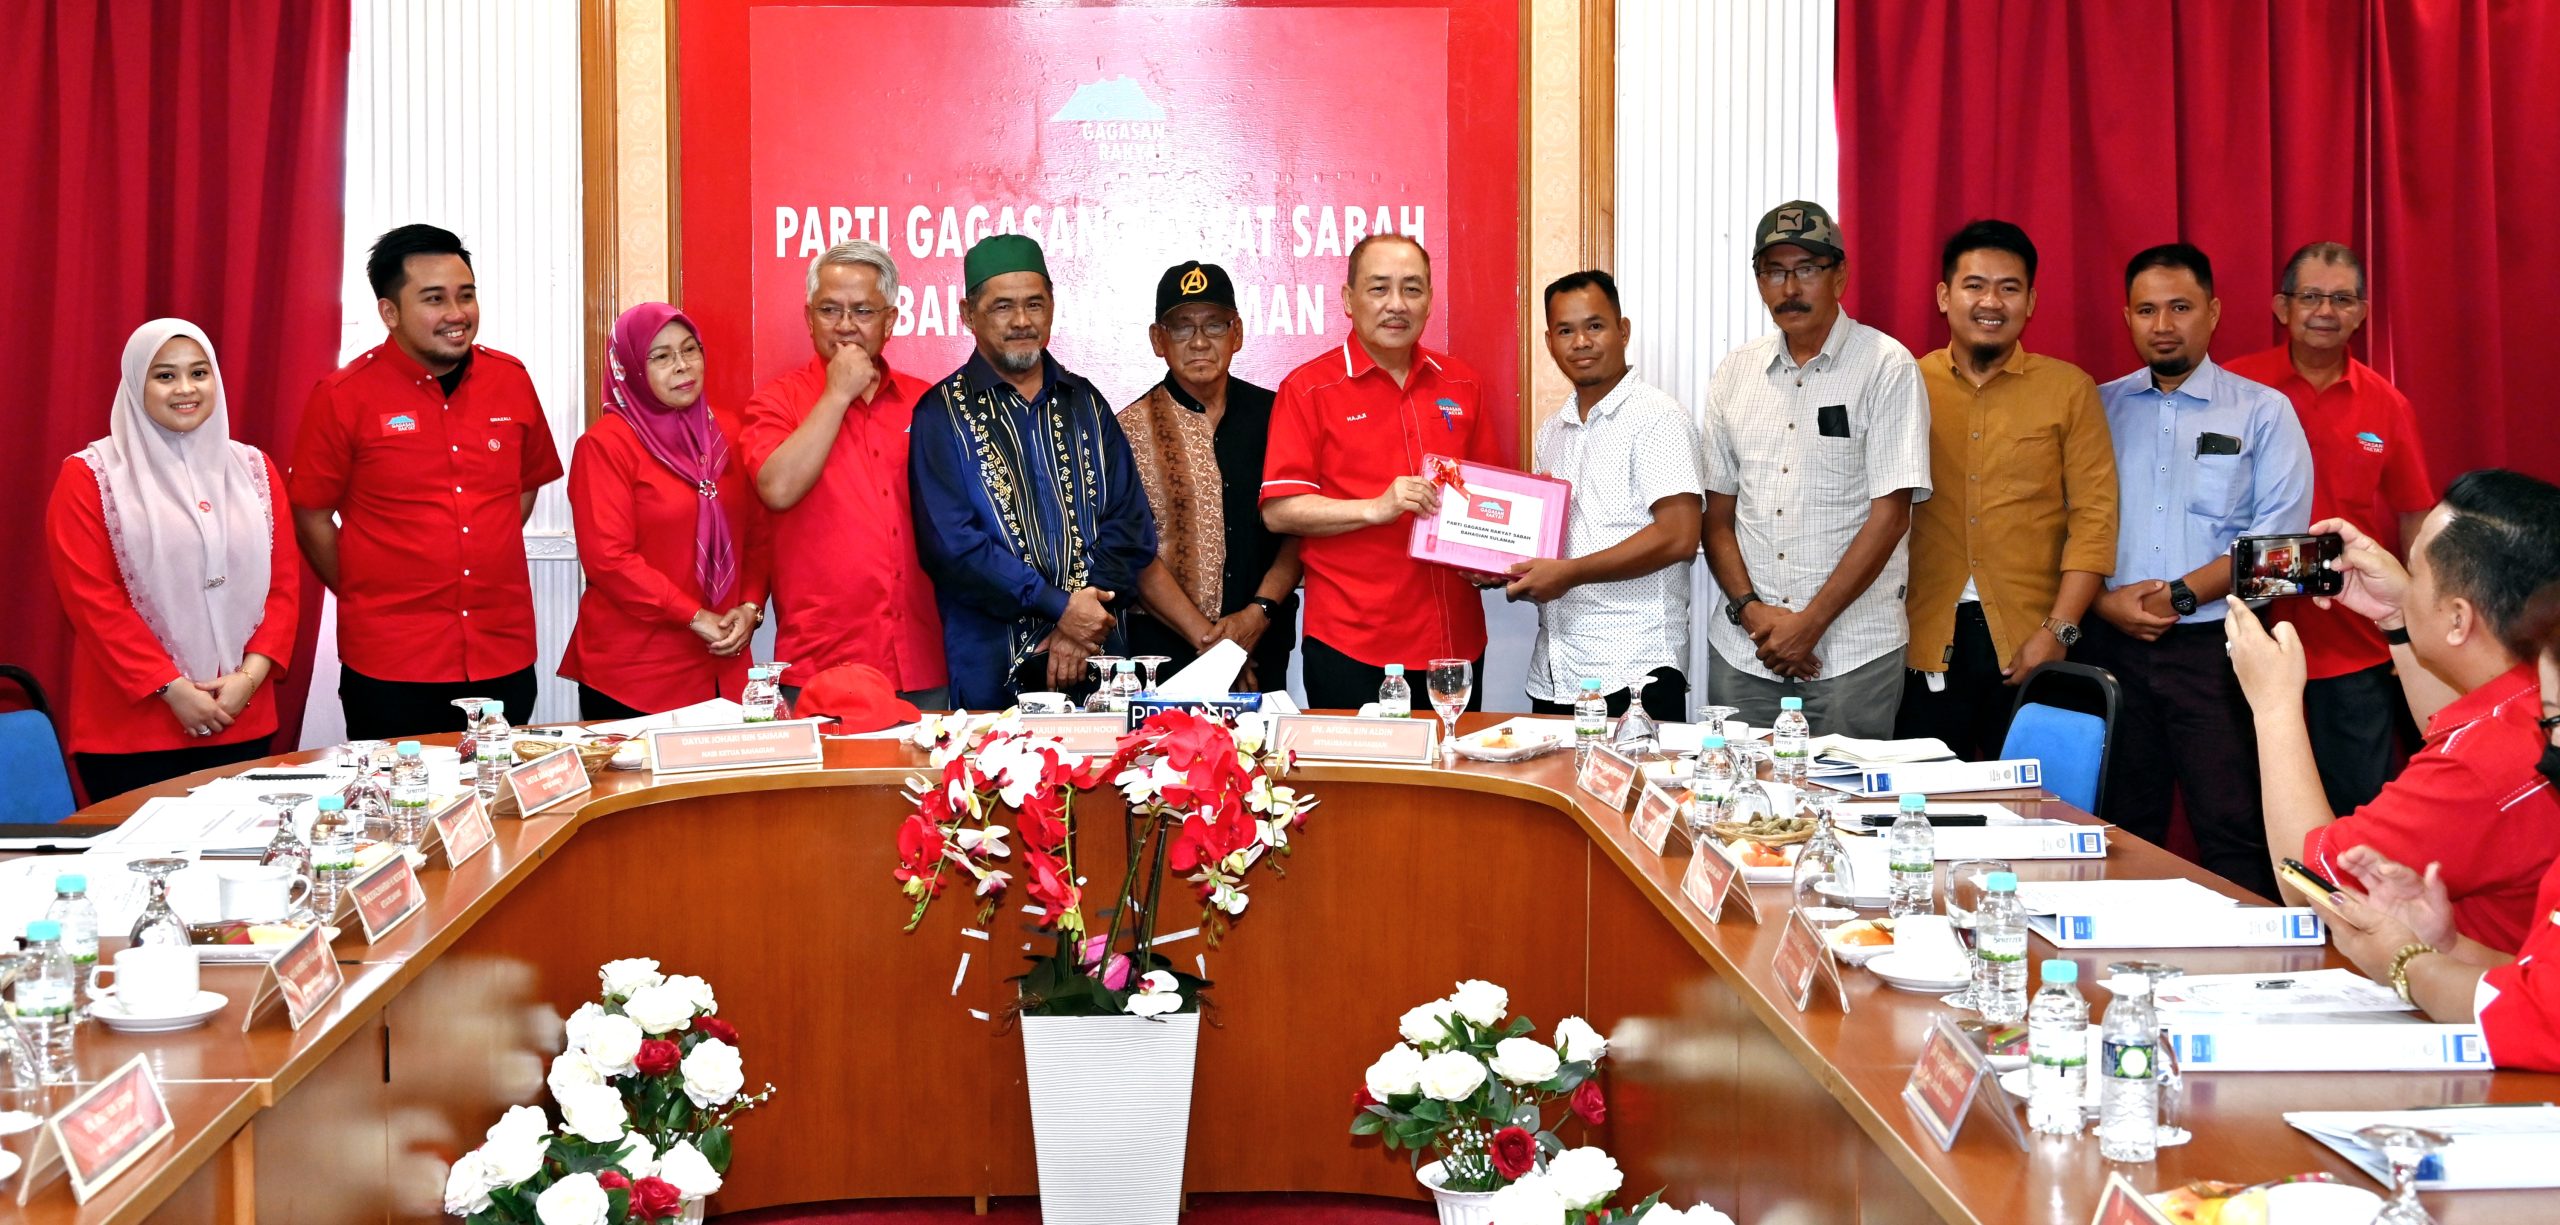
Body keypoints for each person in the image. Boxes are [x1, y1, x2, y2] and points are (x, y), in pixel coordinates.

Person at [2228, 469, 2560, 952]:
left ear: (2459, 618)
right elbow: (2458, 728)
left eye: (2414, 572)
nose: (2405, 584)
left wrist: (2274, 706)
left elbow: (2311, 885)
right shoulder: (2537, 697)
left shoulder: (2480, 766)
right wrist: (2398, 616)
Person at [2082, 242, 2313, 898]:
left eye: (2180, 307)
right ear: (2127, 318)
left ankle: (2250, 954)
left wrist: (2181, 597)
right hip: (2112, 648)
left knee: (2235, 826)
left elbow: (2285, 557)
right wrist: (2101, 603)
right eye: (2147, 310)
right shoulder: (2095, 407)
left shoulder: (2262, 411)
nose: (2163, 325)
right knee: (2115, 826)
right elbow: (2057, 526)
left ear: (2212, 312)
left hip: (2221, 652)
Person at [288, 224, 562, 740]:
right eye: (434, 299)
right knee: (397, 791)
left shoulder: (511, 380)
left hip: (501, 652)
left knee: (495, 788)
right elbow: (311, 514)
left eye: (466, 295)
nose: (457, 313)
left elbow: (524, 486)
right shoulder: (343, 396)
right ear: (390, 312)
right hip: (392, 663)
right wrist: (367, 585)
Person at [1701, 201, 1931, 736]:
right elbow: (1717, 516)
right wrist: (1751, 612)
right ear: (1759, 282)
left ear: (1839, 275)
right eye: (1774, 272)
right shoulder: (1735, 373)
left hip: (1852, 653)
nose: (1790, 288)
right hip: (1746, 650)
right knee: (1738, 789)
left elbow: (1891, 517)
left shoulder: (1887, 367)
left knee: (1845, 791)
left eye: (1806, 269)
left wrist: (1810, 624)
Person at [46, 320, 301, 801]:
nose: (186, 389)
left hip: (241, 716)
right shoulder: (90, 477)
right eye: (165, 376)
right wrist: (172, 689)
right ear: (134, 383)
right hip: (132, 730)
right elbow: (92, 601)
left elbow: (283, 588)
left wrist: (248, 680)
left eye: (199, 373)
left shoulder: (254, 470)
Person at [2225, 242, 2438, 813]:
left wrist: (2417, 622)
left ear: (2362, 313)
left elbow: (2416, 517)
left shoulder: (2387, 405)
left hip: (2352, 649)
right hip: (2247, 636)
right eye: (2311, 297)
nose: (2325, 311)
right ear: (2282, 307)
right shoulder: (2236, 388)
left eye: (2342, 299)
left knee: (2357, 812)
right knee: (2249, 812)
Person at [2315, 579, 2560, 1071]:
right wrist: (2448, 946)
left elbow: (2537, 1017)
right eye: (2550, 722)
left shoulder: (2483, 758)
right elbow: (2537, 983)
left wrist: (2405, 961)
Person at [1896, 221, 2119, 758]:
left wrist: (2059, 632)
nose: (1991, 302)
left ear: (2031, 301)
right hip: (1921, 642)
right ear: (1944, 296)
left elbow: (2095, 519)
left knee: (2035, 802)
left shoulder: (2069, 390)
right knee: (1924, 802)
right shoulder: (1904, 384)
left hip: (2033, 642)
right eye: (1974, 285)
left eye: (2009, 288)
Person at [909, 234, 1156, 710]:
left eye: (1034, 304)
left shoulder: (1087, 403)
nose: (1022, 321)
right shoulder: (940, 414)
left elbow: (1130, 526)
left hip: (1101, 661)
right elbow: (952, 548)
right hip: (992, 672)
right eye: (1002, 307)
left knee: (1111, 760)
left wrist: (1081, 623)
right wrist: (1060, 609)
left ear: (1052, 308)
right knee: (989, 763)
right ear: (968, 315)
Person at [1261, 234, 1501, 710]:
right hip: (1352, 644)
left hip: (1453, 642)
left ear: (1429, 300)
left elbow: (1488, 497)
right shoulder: (1308, 389)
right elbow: (1279, 510)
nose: (1397, 304)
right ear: (1349, 300)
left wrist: (1492, 557)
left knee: (1452, 760)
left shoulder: (1462, 383)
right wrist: (1375, 508)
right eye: (1379, 288)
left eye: (1412, 289)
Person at [741, 242, 947, 708]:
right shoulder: (777, 401)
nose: (846, 325)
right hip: (821, 662)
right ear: (809, 317)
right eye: (830, 310)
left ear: (889, 322)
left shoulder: (928, 403)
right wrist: (836, 395)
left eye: (863, 311)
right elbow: (776, 489)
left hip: (923, 656)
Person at [558, 304, 771, 719]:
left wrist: (750, 607)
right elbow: (609, 561)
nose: (681, 366)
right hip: (636, 673)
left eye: (690, 350)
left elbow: (759, 535)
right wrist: (694, 616)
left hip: (722, 667)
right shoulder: (606, 446)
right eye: (661, 356)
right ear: (631, 369)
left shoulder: (728, 433)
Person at [1512, 270, 1703, 723]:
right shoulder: (1552, 431)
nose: (1581, 342)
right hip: (1558, 669)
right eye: (1565, 330)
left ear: (1623, 331)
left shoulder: (1658, 418)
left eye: (1594, 326)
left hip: (1635, 673)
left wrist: (1570, 574)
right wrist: (1496, 564)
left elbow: (1679, 536)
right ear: (1549, 342)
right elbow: (1548, 541)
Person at [1121, 261, 1302, 693]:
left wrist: (1258, 613)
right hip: (1165, 656)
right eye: (1182, 327)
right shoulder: (1128, 430)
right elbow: (1133, 550)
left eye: (1215, 325)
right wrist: (1216, 648)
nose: (1199, 341)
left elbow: (1300, 528)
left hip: (1262, 642)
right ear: (1158, 339)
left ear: (1237, 333)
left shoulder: (1279, 417)